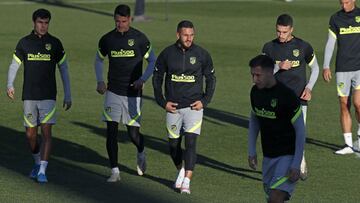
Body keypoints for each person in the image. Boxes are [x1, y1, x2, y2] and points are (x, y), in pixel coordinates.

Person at [6, 8, 72, 183]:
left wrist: (68, 93)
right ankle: (36, 163)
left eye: (46, 23)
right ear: (34, 22)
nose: (43, 26)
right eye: (40, 23)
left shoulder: (55, 43)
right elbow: (14, 65)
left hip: (48, 96)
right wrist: (9, 84)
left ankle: (43, 169)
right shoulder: (24, 43)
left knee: (47, 132)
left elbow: (63, 69)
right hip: (29, 95)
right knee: (30, 135)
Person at [152, 20, 216, 194]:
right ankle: (181, 169)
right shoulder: (167, 54)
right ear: (178, 35)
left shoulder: (202, 54)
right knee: (173, 146)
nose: (189, 38)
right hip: (173, 108)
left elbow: (211, 79)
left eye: (192, 35)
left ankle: (187, 180)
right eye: (185, 35)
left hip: (194, 108)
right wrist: (162, 101)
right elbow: (157, 78)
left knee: (191, 142)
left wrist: (205, 101)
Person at [94, 4, 156, 182]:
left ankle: (141, 151)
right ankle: (115, 171)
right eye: (117, 21)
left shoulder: (139, 39)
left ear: (129, 19)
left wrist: (143, 79)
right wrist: (100, 80)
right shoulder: (107, 39)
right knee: (111, 131)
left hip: (133, 93)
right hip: (113, 91)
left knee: (133, 134)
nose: (120, 25)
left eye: (123, 21)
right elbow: (98, 59)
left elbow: (152, 60)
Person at [262, 14, 319, 180]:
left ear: (291, 30)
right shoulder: (268, 48)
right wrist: (277, 66)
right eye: (278, 31)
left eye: (284, 32)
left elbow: (315, 68)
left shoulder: (303, 47)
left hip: (299, 98)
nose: (281, 35)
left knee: (298, 132)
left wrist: (309, 87)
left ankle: (300, 162)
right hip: (277, 100)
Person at [248, 54, 306, 203]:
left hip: (287, 156)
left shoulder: (287, 96)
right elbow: (254, 120)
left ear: (269, 72)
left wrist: (296, 163)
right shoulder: (255, 92)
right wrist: (252, 150)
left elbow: (300, 131)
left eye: (258, 75)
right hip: (268, 157)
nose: (254, 79)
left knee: (275, 198)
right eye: (252, 75)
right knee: (272, 199)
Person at [323, 0, 360, 154]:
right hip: (342, 68)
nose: (343, 6)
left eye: (346, 2)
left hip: (359, 67)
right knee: (344, 104)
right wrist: (326, 65)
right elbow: (331, 43)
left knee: (358, 103)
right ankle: (348, 145)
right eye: (341, 3)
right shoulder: (335, 18)